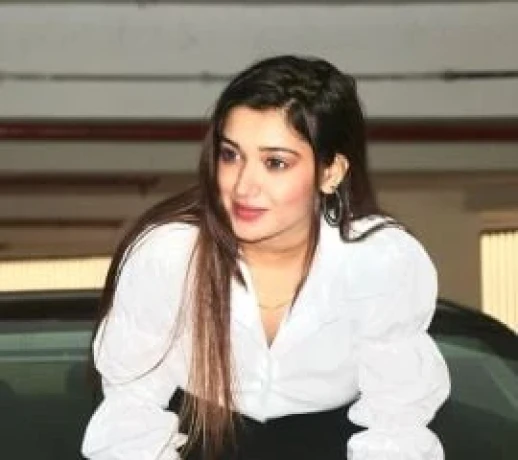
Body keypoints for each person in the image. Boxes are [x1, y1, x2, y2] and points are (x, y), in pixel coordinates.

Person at [81, 55, 450, 460]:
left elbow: (398, 430)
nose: (243, 186)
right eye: (230, 155)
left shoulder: (379, 264)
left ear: (331, 172)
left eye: (275, 163)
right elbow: (130, 421)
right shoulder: (170, 257)